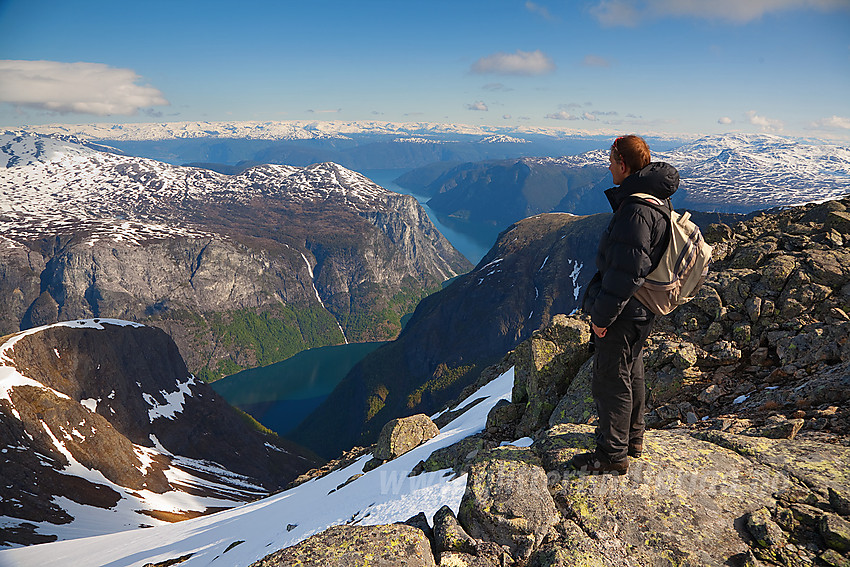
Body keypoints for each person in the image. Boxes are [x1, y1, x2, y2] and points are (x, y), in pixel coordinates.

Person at [567, 135, 679, 474]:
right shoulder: (654, 201)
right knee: (631, 369)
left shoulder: (636, 210)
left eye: (612, 161)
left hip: (625, 310)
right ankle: (633, 439)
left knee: (610, 378)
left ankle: (611, 456)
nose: (609, 166)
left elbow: (626, 271)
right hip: (642, 309)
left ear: (624, 165)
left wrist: (601, 317)